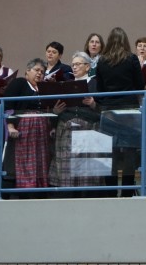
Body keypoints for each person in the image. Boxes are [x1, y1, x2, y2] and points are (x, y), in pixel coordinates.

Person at [0, 58, 55, 199]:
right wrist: (10, 125)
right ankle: (25, 188)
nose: (40, 74)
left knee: (40, 160)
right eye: (37, 70)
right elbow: (8, 105)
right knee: (24, 160)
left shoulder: (43, 89)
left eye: (42, 72)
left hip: (41, 130)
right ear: (27, 71)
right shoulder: (20, 83)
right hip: (24, 128)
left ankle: (38, 189)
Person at [95, 27, 145, 197]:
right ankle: (127, 192)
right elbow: (139, 85)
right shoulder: (131, 59)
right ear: (125, 41)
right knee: (129, 152)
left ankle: (110, 192)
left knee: (111, 153)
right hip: (129, 109)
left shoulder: (102, 61)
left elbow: (99, 89)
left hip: (109, 109)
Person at [48, 52, 105, 198]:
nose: (74, 67)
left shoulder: (96, 83)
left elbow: (104, 109)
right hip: (66, 129)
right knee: (67, 173)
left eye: (78, 64)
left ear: (87, 67)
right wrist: (55, 111)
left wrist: (93, 104)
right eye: (73, 65)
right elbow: (53, 108)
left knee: (87, 172)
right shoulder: (65, 84)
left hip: (88, 128)